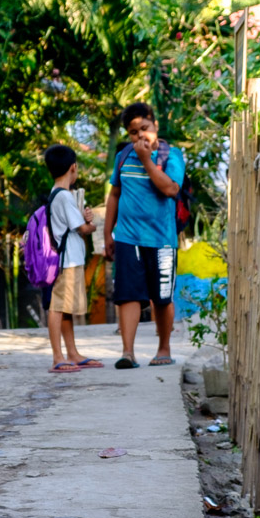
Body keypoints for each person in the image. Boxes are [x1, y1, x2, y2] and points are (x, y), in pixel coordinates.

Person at [103, 102, 185, 369]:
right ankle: (128, 353)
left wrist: (148, 160)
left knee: (162, 297)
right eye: (133, 132)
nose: (140, 136)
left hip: (162, 240)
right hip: (127, 237)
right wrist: (108, 234)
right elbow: (114, 194)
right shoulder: (123, 156)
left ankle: (164, 349)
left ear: (155, 126)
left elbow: (171, 189)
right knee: (127, 295)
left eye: (145, 129)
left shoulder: (171, 156)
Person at [43, 144, 102, 373]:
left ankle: (72, 352)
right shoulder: (64, 196)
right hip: (66, 262)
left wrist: (84, 219)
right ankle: (58, 356)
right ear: (73, 168)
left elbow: (76, 223)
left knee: (65, 308)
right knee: (57, 307)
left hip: (69, 260)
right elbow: (82, 229)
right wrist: (91, 224)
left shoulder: (57, 195)